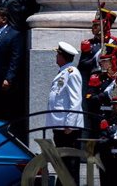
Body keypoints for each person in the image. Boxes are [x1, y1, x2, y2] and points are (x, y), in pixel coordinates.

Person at [46, 41, 84, 186]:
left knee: (70, 163)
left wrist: (70, 124)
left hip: (67, 127)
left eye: (58, 54)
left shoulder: (72, 73)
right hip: (60, 124)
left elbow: (76, 100)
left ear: (62, 56)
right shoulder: (63, 72)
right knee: (62, 161)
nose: (56, 56)